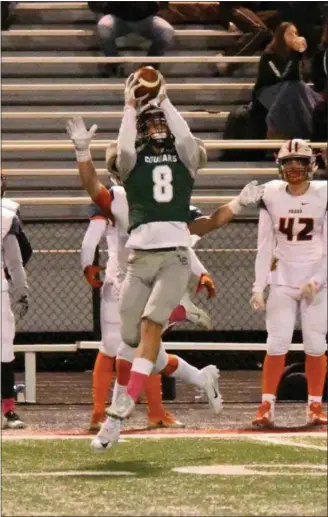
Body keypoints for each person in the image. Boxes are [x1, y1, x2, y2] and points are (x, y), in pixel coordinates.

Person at [66, 71, 264, 449]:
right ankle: (196, 365)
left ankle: (118, 412)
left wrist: (237, 205)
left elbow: (198, 226)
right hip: (134, 267)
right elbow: (102, 176)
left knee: (142, 336)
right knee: (133, 341)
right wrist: (84, 149)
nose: (157, 130)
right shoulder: (124, 183)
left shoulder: (180, 166)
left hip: (172, 257)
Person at [81, 198, 213, 431]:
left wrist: (86, 262)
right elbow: (93, 234)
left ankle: (122, 413)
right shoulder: (122, 196)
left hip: (137, 282)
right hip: (128, 281)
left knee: (135, 349)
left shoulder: (143, 196)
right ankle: (112, 412)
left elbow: (179, 244)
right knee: (127, 348)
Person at [250, 139, 327, 428]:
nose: (294, 168)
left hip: (317, 278)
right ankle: (266, 406)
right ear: (280, 166)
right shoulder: (271, 194)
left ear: (312, 165)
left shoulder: (324, 194)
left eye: (300, 163)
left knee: (316, 344)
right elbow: (265, 245)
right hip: (282, 277)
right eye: (289, 163)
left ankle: (315, 406)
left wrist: (317, 280)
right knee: (276, 343)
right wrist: (258, 286)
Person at [252, 22, 321, 140]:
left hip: (290, 90)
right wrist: (295, 55)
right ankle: (311, 129)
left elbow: (297, 79)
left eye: (296, 33)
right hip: (266, 92)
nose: (294, 37)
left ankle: (316, 125)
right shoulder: (269, 55)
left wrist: (298, 55)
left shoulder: (295, 55)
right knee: (293, 87)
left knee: (299, 87)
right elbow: (282, 76)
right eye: (290, 34)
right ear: (281, 36)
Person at [1, 175, 29, 429]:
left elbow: (16, 258)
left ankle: (8, 408)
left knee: (4, 351)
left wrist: (20, 289)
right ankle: (8, 410)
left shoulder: (5, 216)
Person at [88, 2, 173, 76]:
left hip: (145, 19)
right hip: (118, 18)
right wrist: (108, 6)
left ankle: (150, 64)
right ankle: (113, 60)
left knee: (167, 30)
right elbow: (93, 5)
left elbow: (164, 4)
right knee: (103, 26)